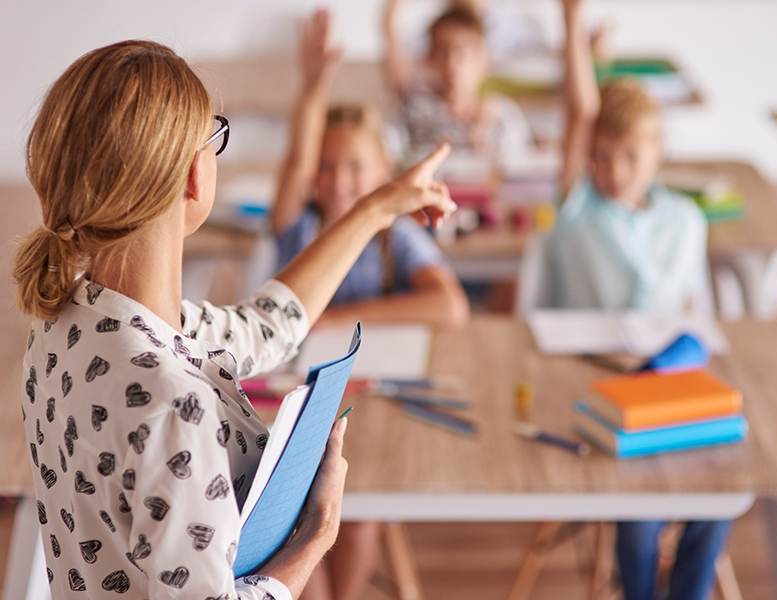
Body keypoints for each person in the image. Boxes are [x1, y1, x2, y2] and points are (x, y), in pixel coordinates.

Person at [13, 39, 456, 600]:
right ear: (195, 177)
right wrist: (315, 537)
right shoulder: (176, 402)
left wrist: (376, 207)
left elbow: (266, 325)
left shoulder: (70, 319)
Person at [534, 2, 729, 599]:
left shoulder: (684, 219)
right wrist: (573, 29)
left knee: (719, 497)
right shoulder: (578, 208)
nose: (612, 171)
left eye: (629, 157)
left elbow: (694, 307)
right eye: (600, 156)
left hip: (666, 385)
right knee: (640, 508)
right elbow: (580, 111)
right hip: (593, 382)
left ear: (658, 153)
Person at [273, 9, 470, 331]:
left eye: (355, 167)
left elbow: (451, 306)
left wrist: (336, 321)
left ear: (384, 172)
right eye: (325, 166)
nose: (338, 181)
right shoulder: (297, 227)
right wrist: (313, 86)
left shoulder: (398, 236)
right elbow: (297, 161)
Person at [383, 0, 531, 160]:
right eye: (443, 51)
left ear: (482, 59)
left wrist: (482, 136)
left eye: (462, 52)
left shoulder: (503, 117)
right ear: (430, 57)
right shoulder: (412, 106)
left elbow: (517, 173)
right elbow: (391, 158)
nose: (452, 63)